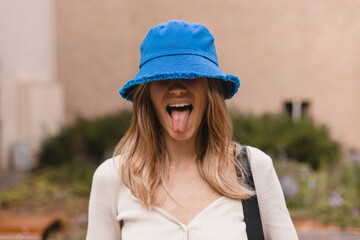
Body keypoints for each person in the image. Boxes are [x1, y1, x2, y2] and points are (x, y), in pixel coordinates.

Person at [86, 20, 298, 240]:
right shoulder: (113, 178)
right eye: (162, 77)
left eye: (191, 75)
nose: (177, 88)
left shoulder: (253, 169)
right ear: (147, 94)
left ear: (210, 89)